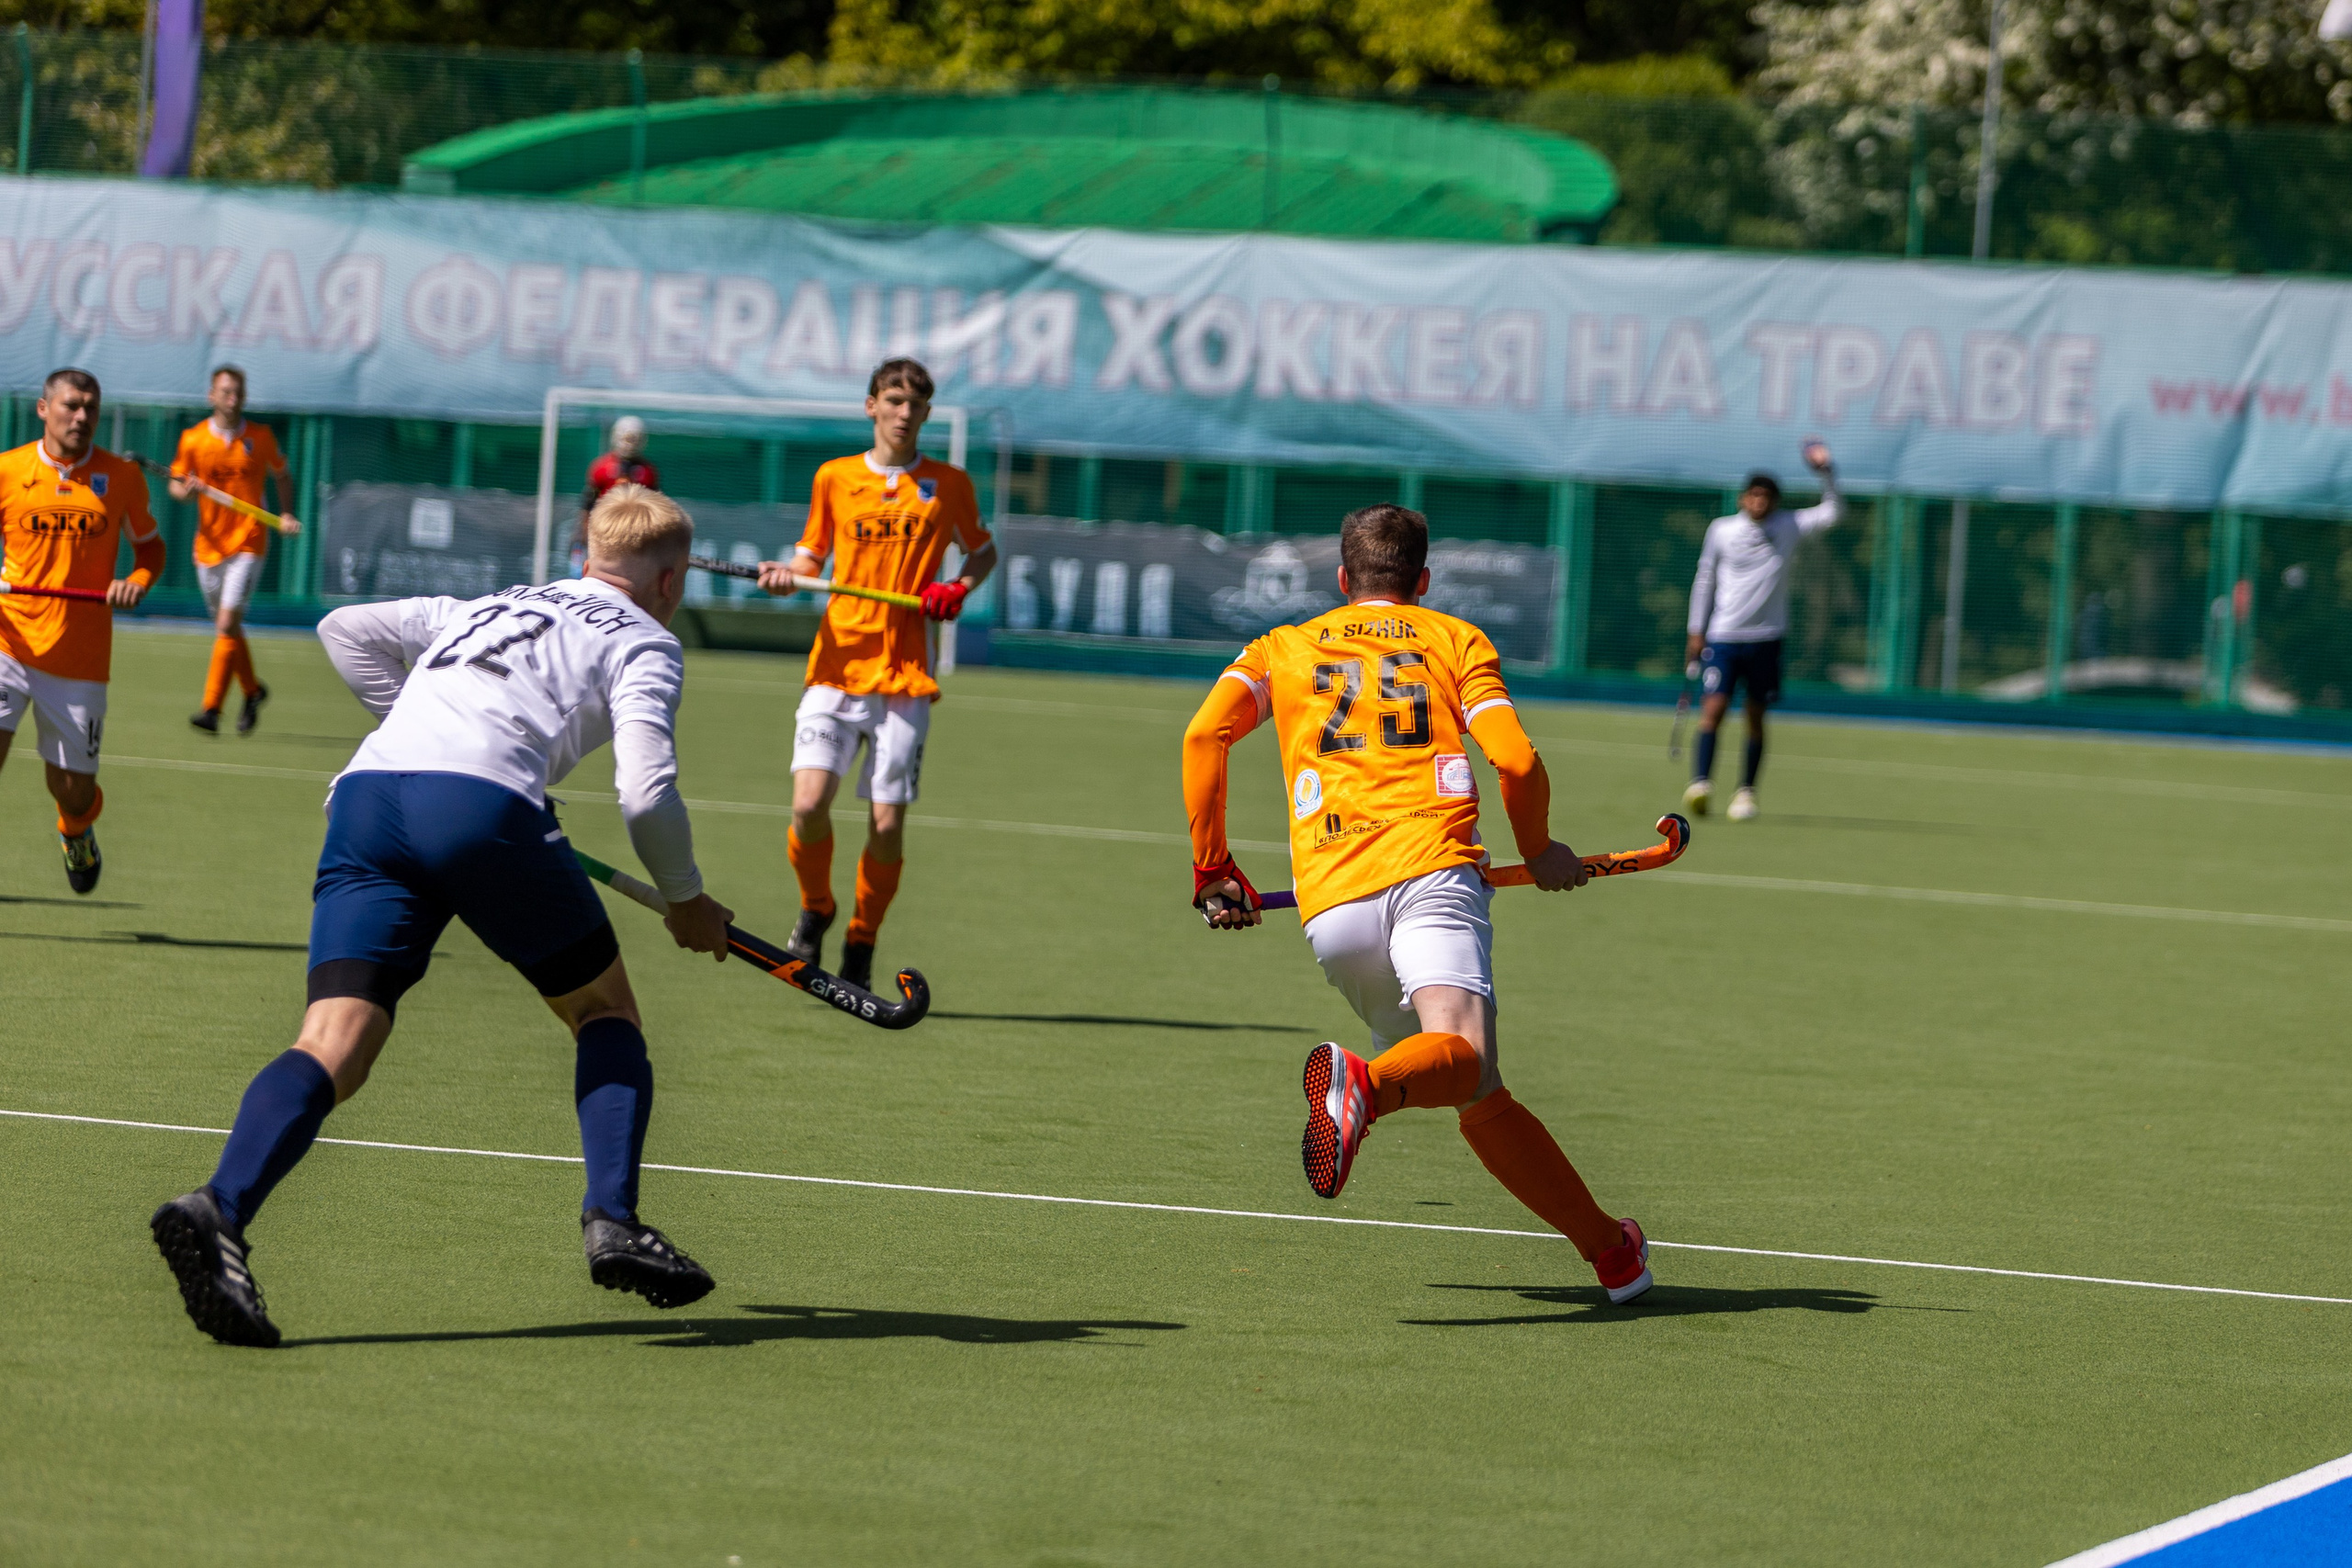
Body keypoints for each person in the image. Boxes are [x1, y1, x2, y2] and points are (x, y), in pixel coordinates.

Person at [150, 484, 736, 1348]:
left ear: (586, 557)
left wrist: (430, 733)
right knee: (603, 1010)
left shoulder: (490, 603)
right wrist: (685, 898)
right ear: (671, 580)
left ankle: (219, 1207)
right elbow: (646, 794)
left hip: (367, 798)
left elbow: (343, 629)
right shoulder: (645, 638)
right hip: (477, 809)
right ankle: (613, 1219)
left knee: (333, 1040)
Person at [1181, 502, 1655, 1306]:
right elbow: (1514, 758)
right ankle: (1363, 1087)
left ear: (1342, 577)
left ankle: (1612, 1253)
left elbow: (1203, 736)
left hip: (1332, 907)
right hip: (1432, 872)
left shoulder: (1280, 647)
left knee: (1473, 1083)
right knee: (1460, 1054)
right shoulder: (1454, 640)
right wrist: (1540, 848)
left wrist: (1213, 869)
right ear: (1423, 579)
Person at [755, 358, 995, 993]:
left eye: (915, 403)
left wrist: (957, 586)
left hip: (905, 676)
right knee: (808, 804)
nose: (903, 412)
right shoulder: (834, 477)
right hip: (836, 667)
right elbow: (810, 558)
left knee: (886, 824)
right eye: (893, 400)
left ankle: (861, 935)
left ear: (927, 413)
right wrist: (786, 576)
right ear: (871, 406)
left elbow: (982, 551)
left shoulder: (949, 484)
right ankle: (817, 908)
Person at [0, 367, 163, 894]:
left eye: (90, 407)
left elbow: (151, 550)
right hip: (7, 642)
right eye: (71, 405)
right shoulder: (7, 470)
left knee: (72, 789)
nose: (81, 416)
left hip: (80, 658)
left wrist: (136, 581)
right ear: (43, 409)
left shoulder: (122, 477)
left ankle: (75, 829)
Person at [1681, 441, 1839, 822]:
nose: (1759, 502)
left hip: (1767, 638)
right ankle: (1701, 784)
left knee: (1755, 716)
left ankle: (1746, 793)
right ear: (1743, 498)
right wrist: (1695, 630)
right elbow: (1705, 579)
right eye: (1753, 495)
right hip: (1723, 636)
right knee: (1714, 709)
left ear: (1775, 502)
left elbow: (1833, 512)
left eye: (1766, 497)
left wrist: (1827, 473)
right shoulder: (1722, 530)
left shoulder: (1788, 526)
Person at [171, 365, 300, 735]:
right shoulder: (194, 439)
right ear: (211, 396)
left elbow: (281, 474)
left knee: (227, 624)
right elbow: (176, 487)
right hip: (208, 546)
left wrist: (286, 513)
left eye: (238, 392)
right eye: (225, 392)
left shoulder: (260, 437)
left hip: (249, 541)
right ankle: (253, 690)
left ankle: (211, 709)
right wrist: (187, 491)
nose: (232, 398)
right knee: (228, 628)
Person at [574, 415, 657, 576]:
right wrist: (583, 531)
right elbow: (588, 503)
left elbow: (653, 507)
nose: (629, 444)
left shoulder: (648, 472)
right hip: (604, 529)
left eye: (633, 439)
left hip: (634, 532)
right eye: (627, 438)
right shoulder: (601, 467)